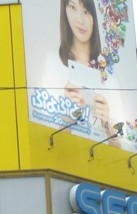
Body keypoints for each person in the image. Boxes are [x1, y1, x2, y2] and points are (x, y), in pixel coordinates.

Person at [41, 0, 123, 142]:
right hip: (64, 161)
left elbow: (125, 155)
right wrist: (66, 112)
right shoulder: (52, 63)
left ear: (96, 16)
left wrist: (107, 125)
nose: (79, 19)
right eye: (73, 7)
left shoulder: (110, 81)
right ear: (64, 9)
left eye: (86, 11)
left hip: (101, 161)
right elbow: (45, 141)